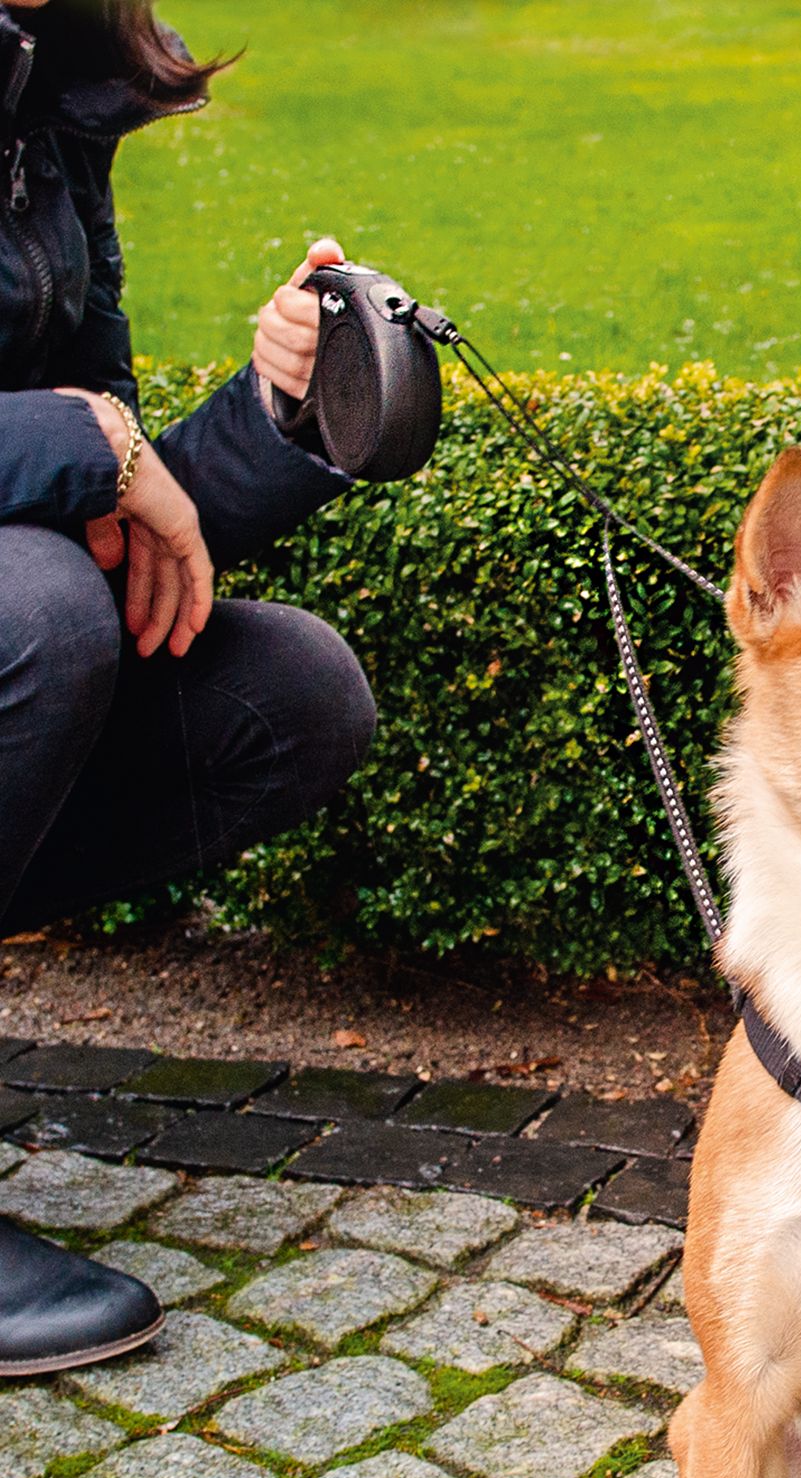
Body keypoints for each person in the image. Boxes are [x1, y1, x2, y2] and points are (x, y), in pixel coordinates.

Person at [0, 0, 376, 1374]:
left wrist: (276, 415)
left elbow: (106, 505)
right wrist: (77, 441)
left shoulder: (52, 88)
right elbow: (69, 460)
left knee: (289, 697)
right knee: (33, 616)